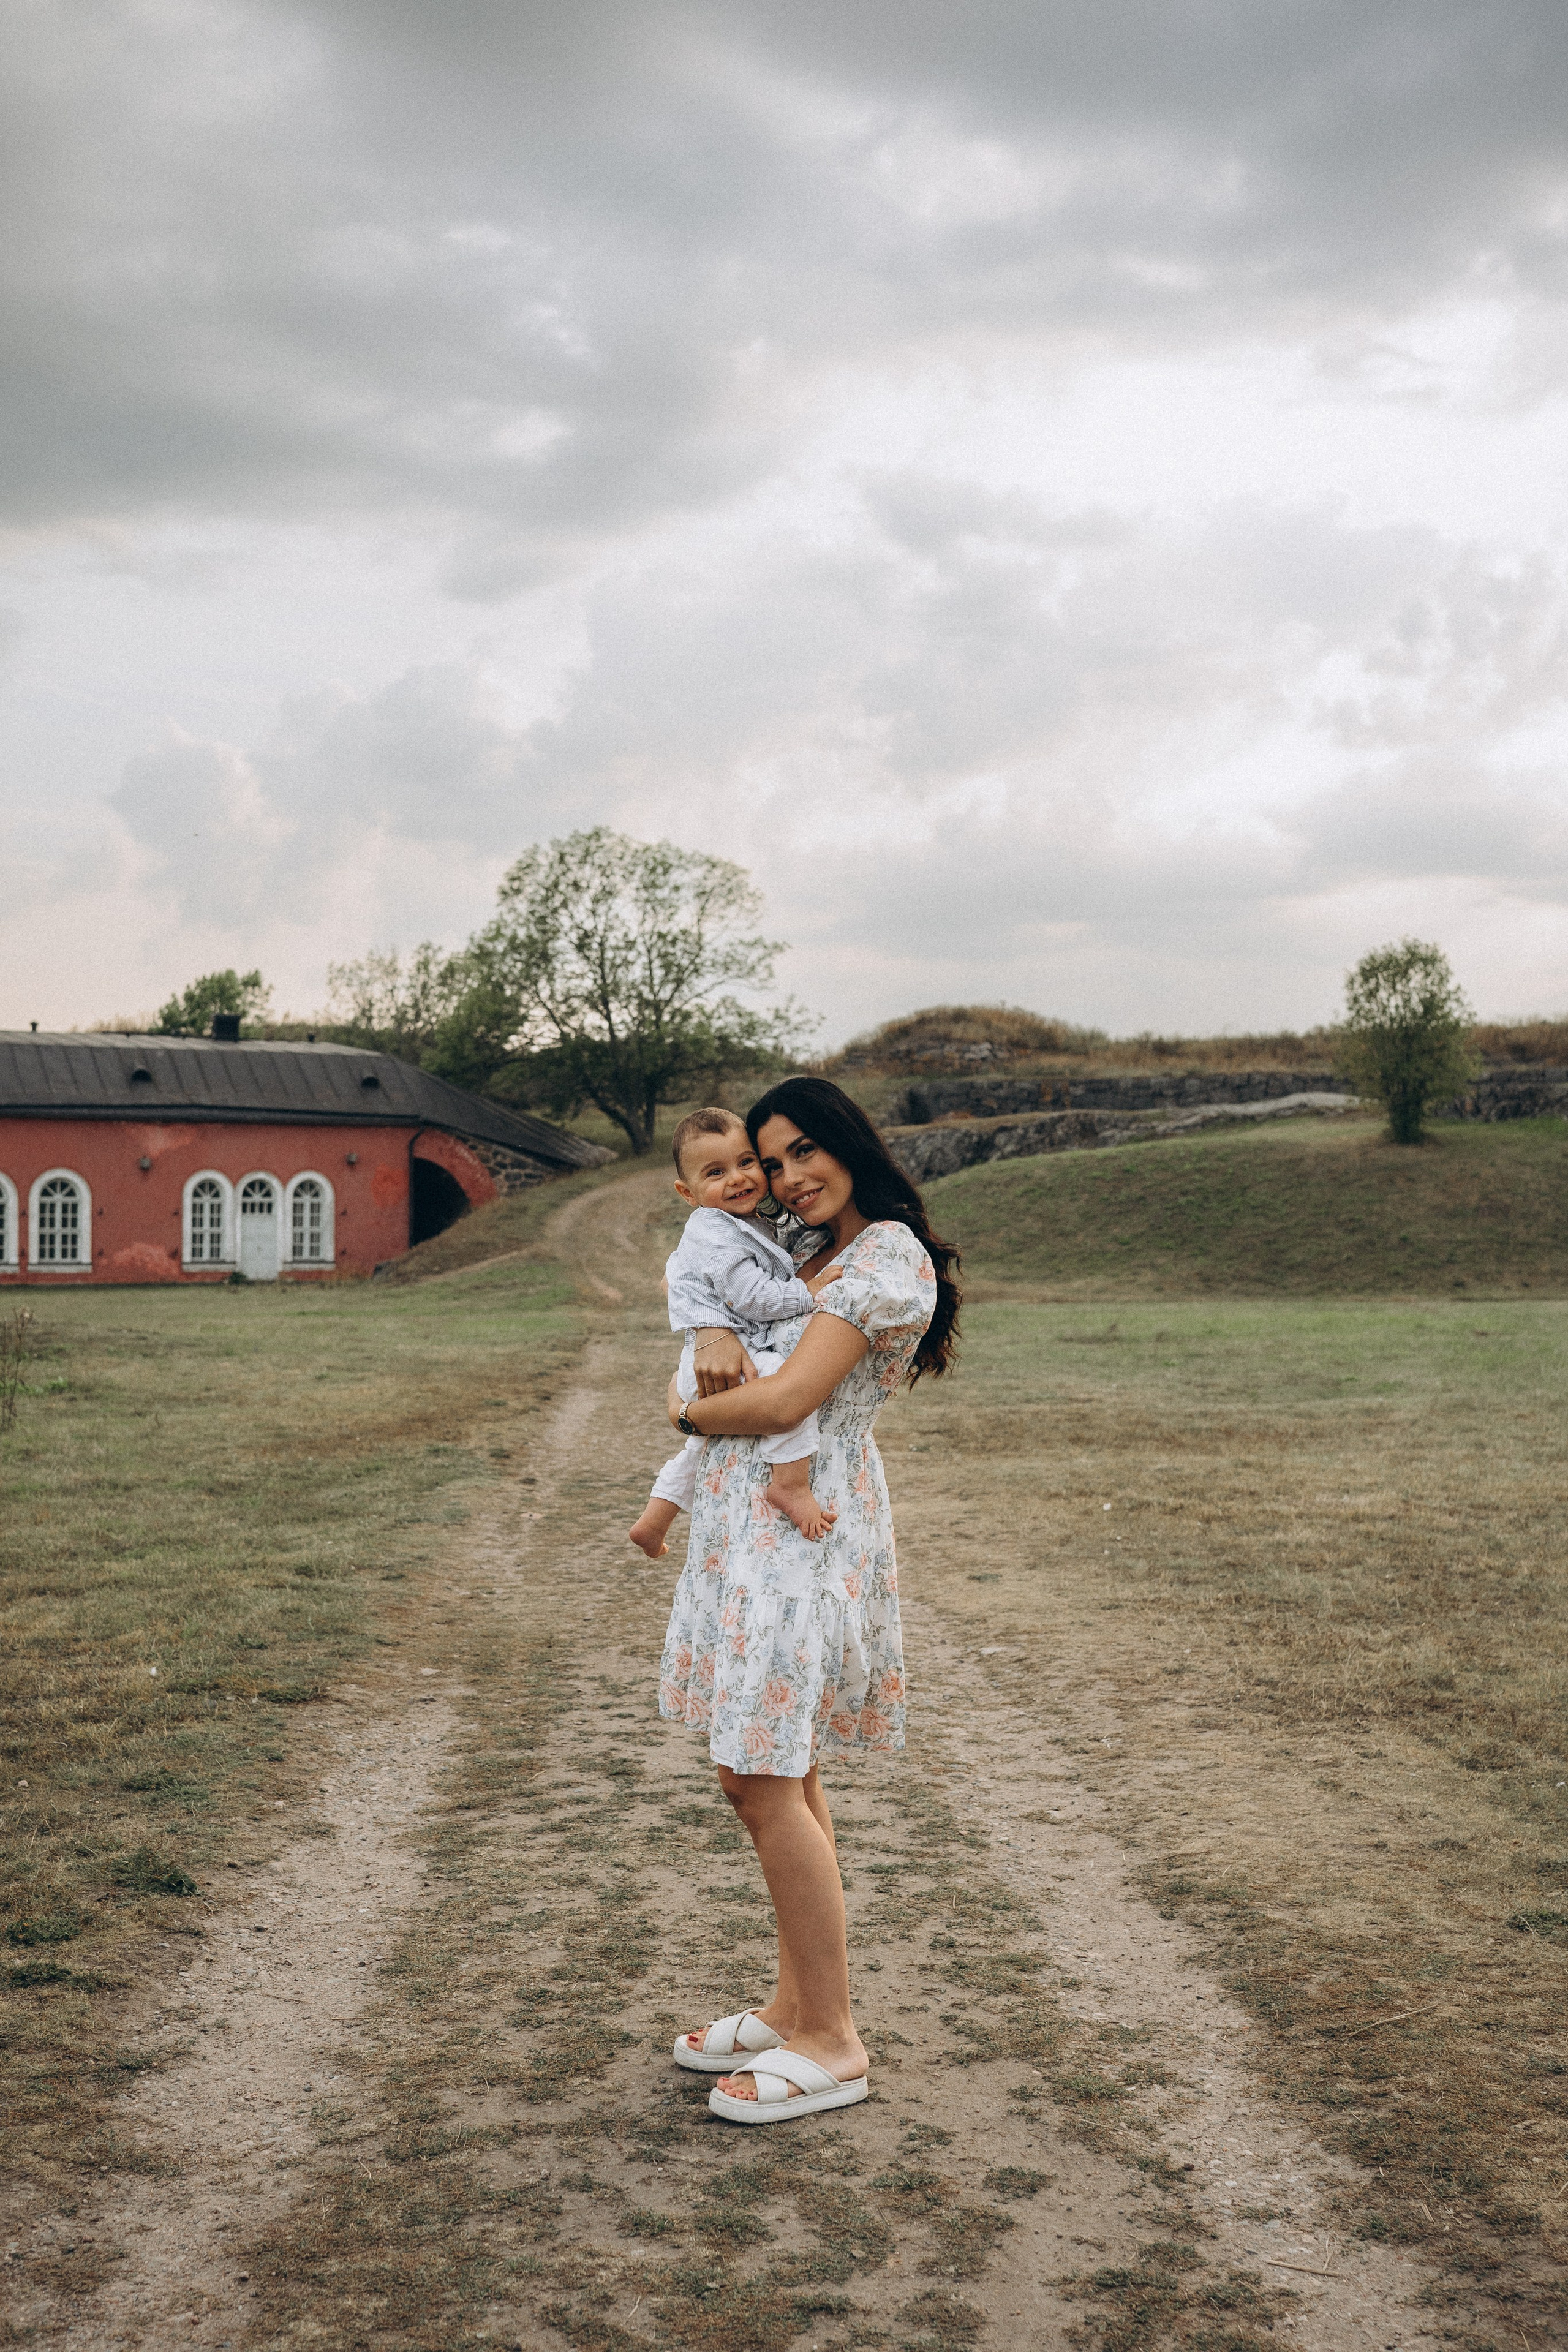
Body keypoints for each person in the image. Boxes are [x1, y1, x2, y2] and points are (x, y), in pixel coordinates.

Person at [658, 1075, 960, 2123]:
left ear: (848, 1143)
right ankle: (796, 2004)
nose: (787, 1176)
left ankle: (834, 2038)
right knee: (778, 1768)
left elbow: (781, 1398)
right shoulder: (790, 1253)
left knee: (757, 1774)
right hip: (748, 1535)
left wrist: (698, 1412)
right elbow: (695, 1362)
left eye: (801, 1151)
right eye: (771, 1160)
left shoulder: (885, 1259)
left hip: (806, 1533)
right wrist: (698, 1375)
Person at [628, 1107, 845, 1560]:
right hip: (725, 1359)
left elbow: (679, 1273)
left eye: (746, 1162)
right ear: (687, 1193)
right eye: (715, 1172)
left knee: (699, 1448)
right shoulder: (715, 1229)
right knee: (791, 1386)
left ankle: (653, 1522)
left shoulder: (743, 1224)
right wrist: (807, 1293)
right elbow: (752, 1297)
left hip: (712, 1363)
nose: (738, 1178)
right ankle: (789, 1485)